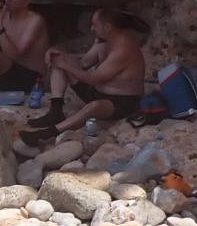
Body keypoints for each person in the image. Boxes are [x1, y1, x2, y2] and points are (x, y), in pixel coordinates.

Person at [22, 8, 150, 142]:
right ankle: (56, 110)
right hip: (96, 92)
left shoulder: (123, 49)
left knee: (93, 107)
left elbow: (95, 79)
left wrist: (64, 64)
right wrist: (60, 56)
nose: (91, 28)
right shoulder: (103, 40)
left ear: (107, 27)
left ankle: (47, 133)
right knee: (58, 59)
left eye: (95, 25)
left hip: (121, 102)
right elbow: (84, 63)